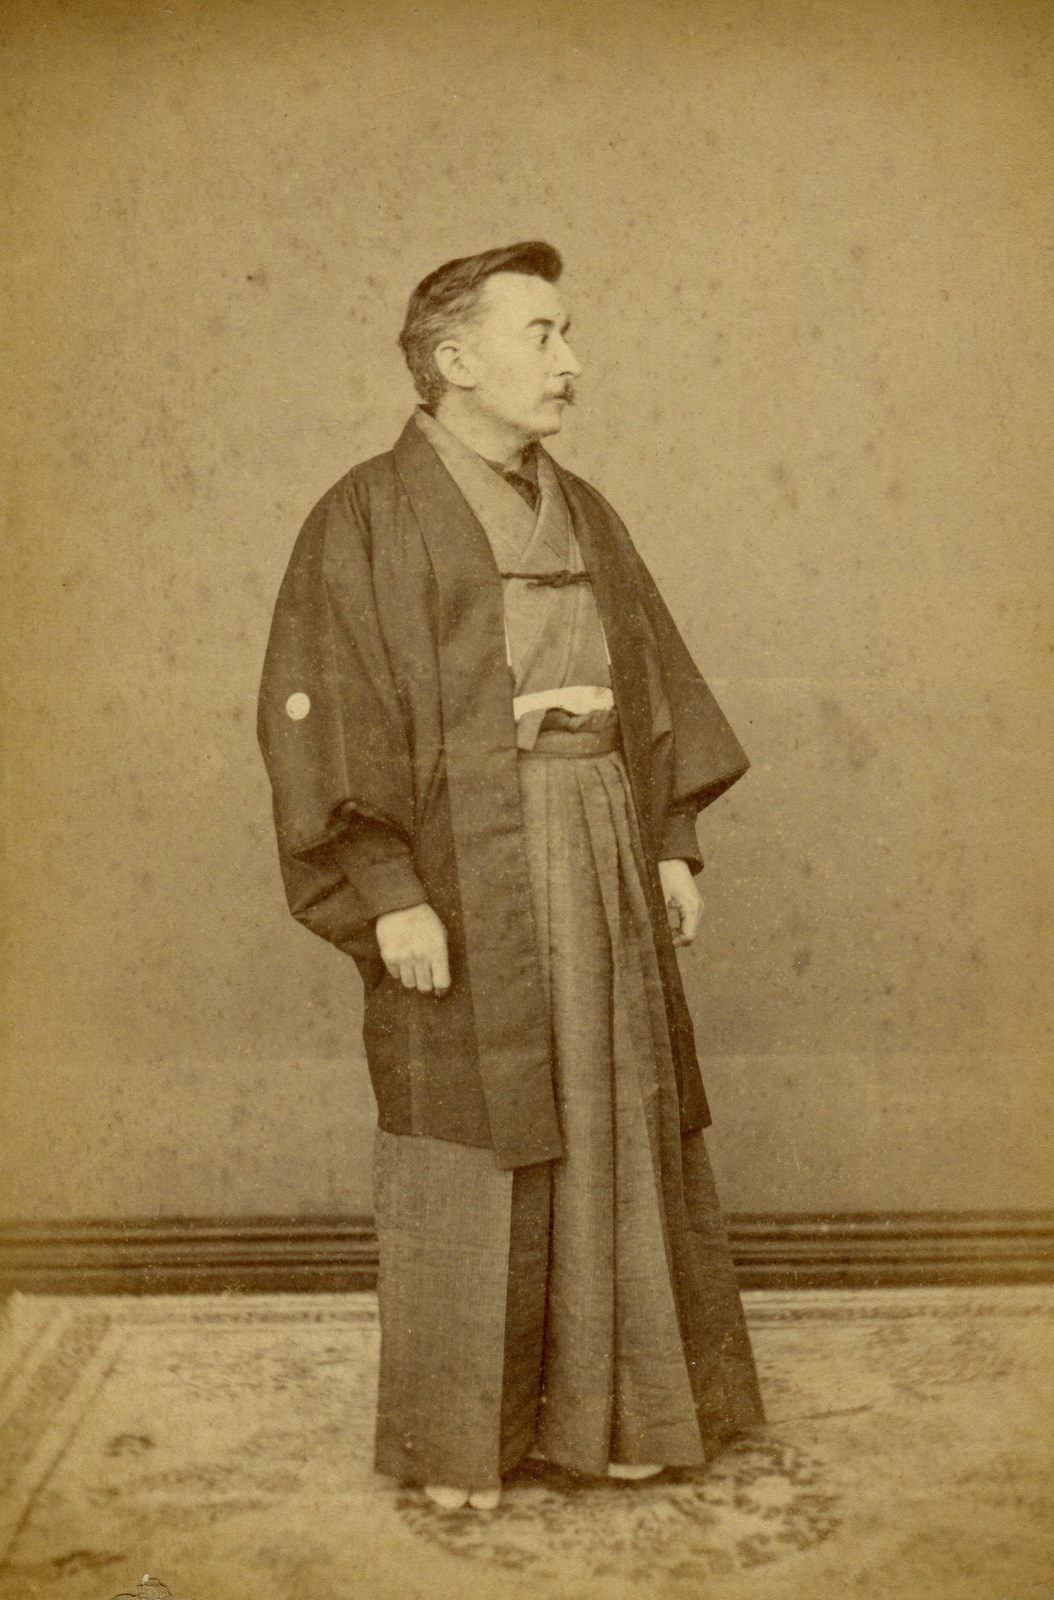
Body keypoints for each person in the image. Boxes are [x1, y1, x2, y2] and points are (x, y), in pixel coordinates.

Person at [257, 242, 764, 1513]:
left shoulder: (585, 510)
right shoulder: (364, 516)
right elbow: (328, 716)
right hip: (463, 864)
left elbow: (650, 682)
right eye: (542, 334)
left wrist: (668, 843)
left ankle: (630, 1410)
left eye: (566, 332)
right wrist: (388, 891)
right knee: (472, 1135)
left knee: (614, 1116)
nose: (570, 363)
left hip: (598, 834)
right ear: (454, 360)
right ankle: (461, 1442)